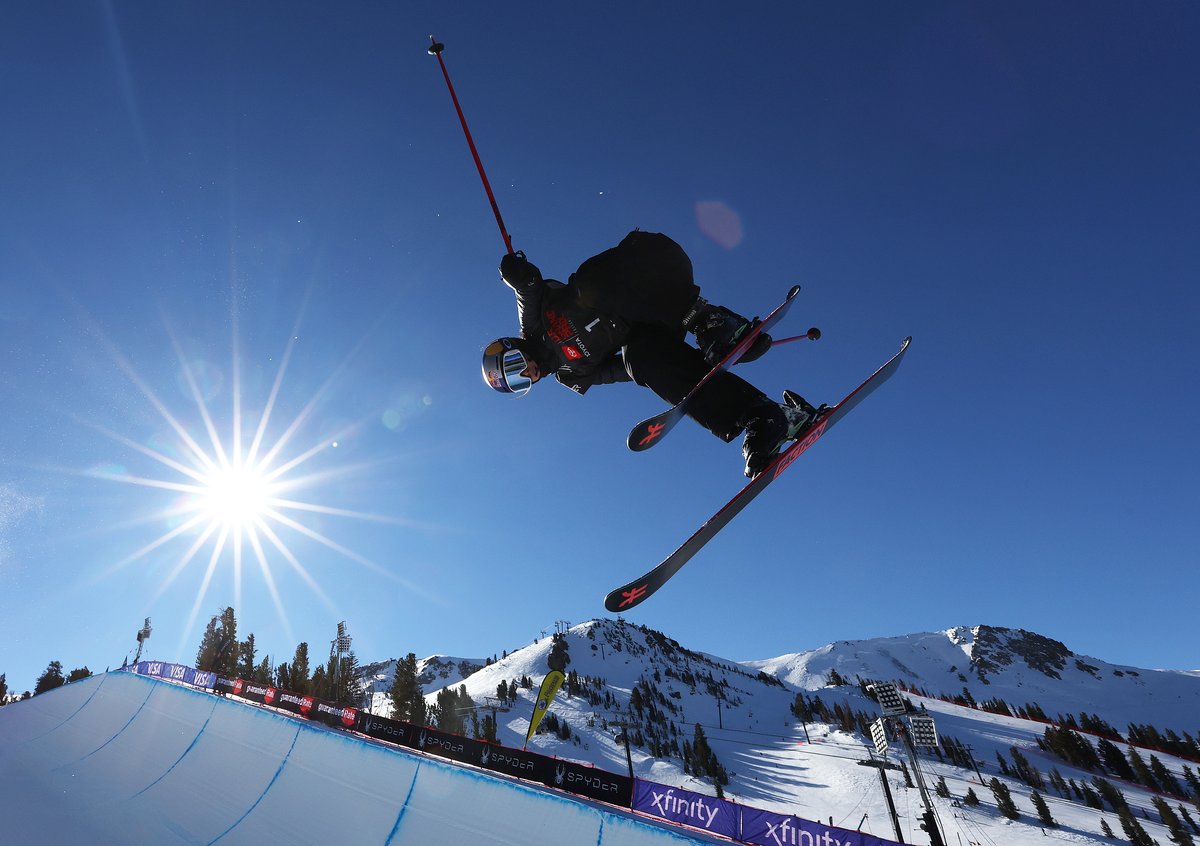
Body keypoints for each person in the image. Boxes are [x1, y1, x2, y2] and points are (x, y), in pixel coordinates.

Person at [481, 230, 819, 477]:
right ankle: (767, 418)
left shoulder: (534, 325)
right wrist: (691, 368)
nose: (527, 374)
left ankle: (708, 321)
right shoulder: (574, 375)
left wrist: (515, 273)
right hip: (658, 324)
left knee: (586, 285)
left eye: (513, 365)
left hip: (653, 265)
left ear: (512, 346)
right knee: (639, 358)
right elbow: (631, 370)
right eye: (519, 383)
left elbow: (528, 287)